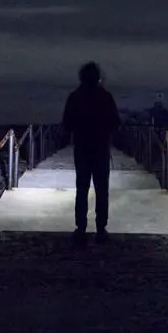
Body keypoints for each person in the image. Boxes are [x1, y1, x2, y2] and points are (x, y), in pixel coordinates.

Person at [61, 61, 121, 243]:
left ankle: (81, 228)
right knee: (102, 189)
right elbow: (115, 123)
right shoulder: (105, 96)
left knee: (82, 188)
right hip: (101, 148)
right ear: (98, 77)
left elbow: (67, 123)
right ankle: (101, 228)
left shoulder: (75, 97)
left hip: (82, 148)